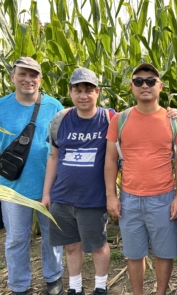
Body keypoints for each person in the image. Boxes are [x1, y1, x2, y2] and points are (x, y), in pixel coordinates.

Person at [0, 57, 64, 295]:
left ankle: (54, 277)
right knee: (16, 239)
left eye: (33, 75)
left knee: (52, 236)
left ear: (40, 79)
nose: (28, 79)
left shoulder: (54, 106)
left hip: (50, 184)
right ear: (12, 77)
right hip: (12, 187)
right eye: (22, 74)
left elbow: (63, 145)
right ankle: (19, 285)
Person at [104, 63, 177, 295]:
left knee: (164, 252)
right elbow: (110, 160)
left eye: (151, 81)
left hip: (163, 198)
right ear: (131, 87)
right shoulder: (119, 120)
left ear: (159, 86)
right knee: (134, 253)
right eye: (139, 81)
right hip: (129, 199)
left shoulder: (173, 121)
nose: (145, 86)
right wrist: (112, 195)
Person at [42, 68, 111, 295]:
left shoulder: (110, 119)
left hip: (93, 198)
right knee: (71, 245)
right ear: (70, 92)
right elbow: (53, 157)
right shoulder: (61, 119)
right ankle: (75, 287)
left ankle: (100, 287)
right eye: (78, 90)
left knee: (98, 246)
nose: (83, 95)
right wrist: (47, 194)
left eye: (89, 90)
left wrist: (172, 113)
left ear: (97, 92)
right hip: (62, 197)